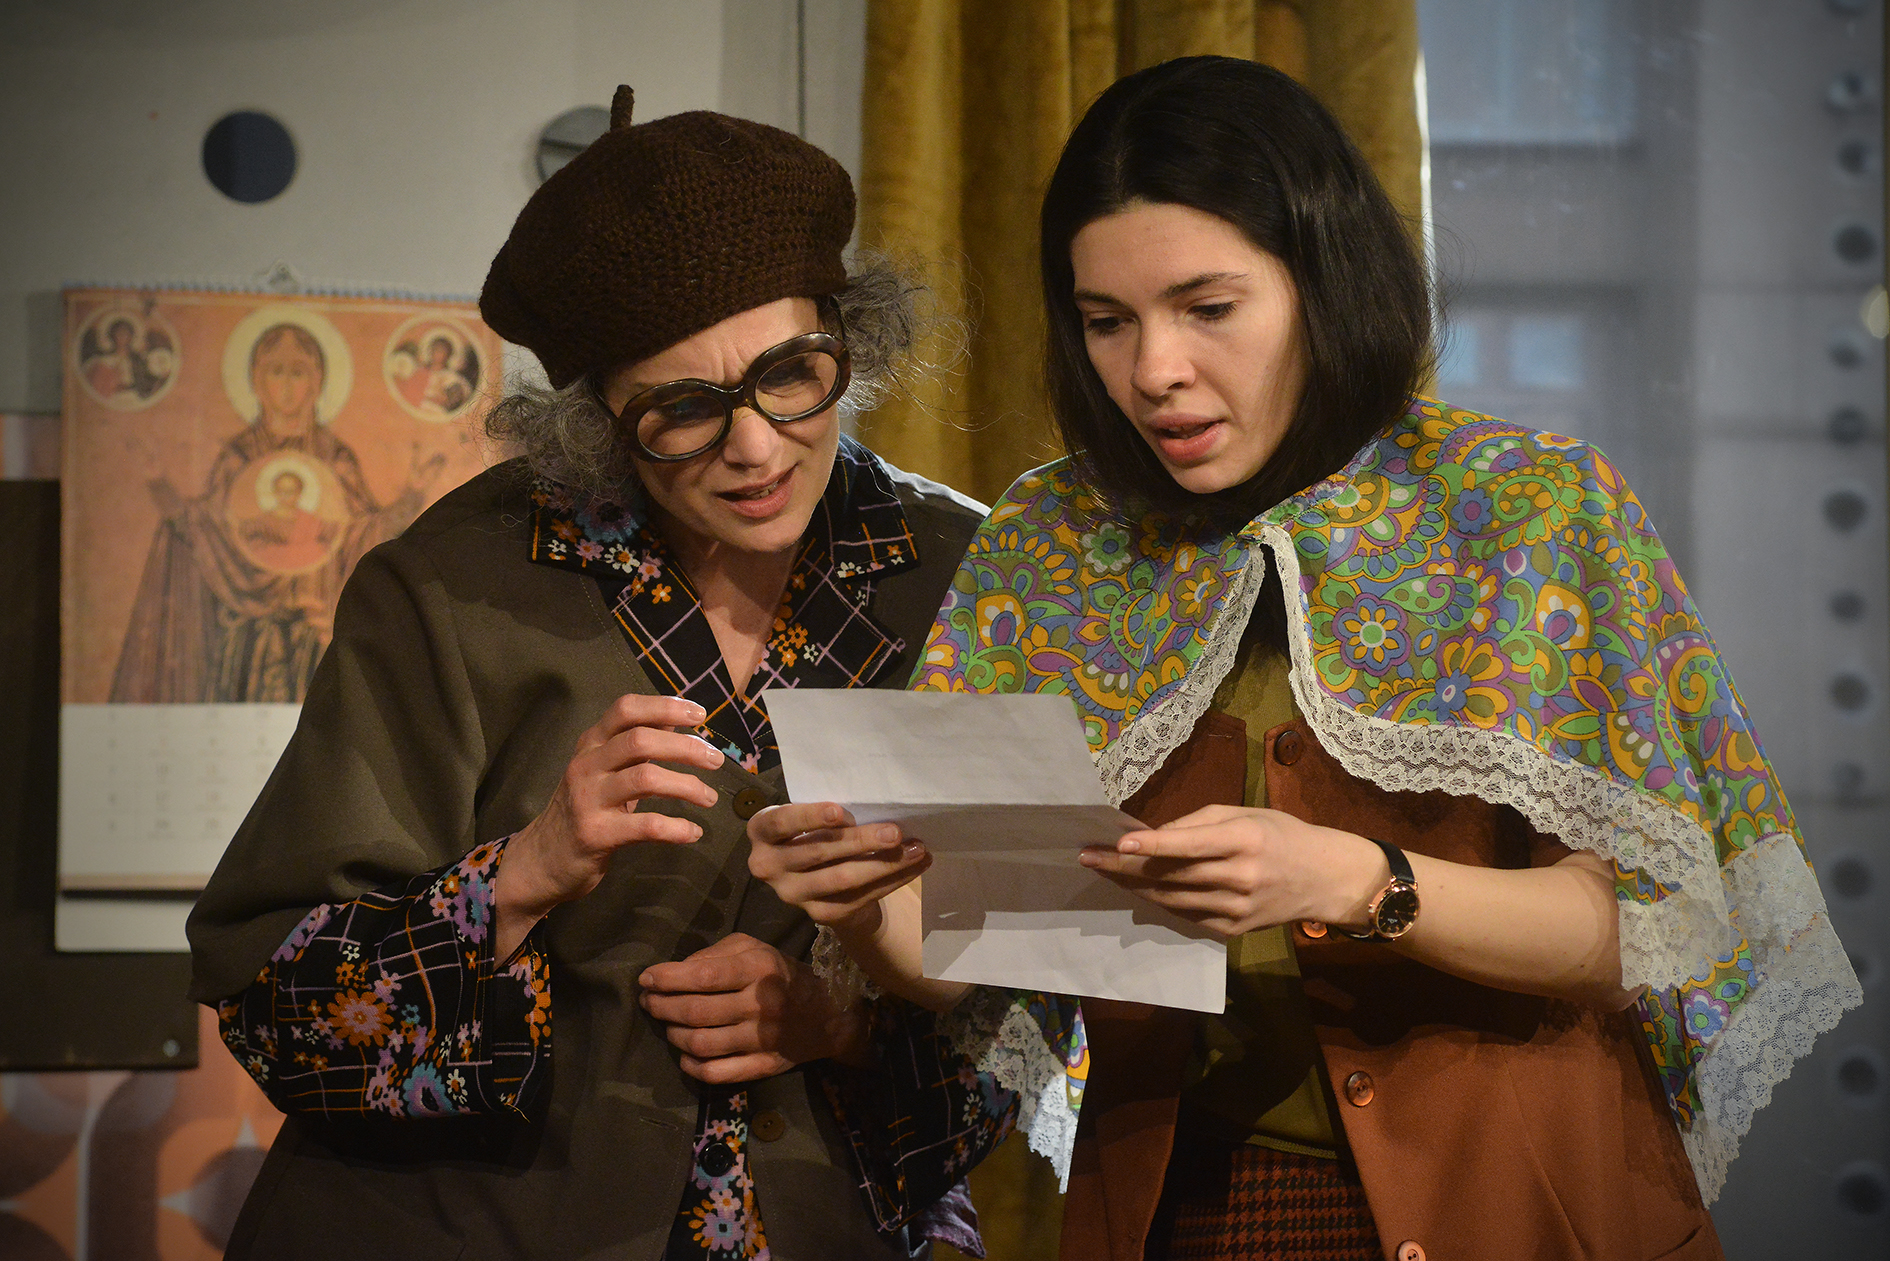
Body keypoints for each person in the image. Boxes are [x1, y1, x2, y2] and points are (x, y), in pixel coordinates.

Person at [747, 57, 1861, 1261]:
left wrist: (1356, 879)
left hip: (1516, 1200)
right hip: (1178, 1214)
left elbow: (1637, 935)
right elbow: (971, 947)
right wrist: (865, 904)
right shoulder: (1050, 544)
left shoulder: (1526, 507)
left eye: (1208, 308)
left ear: (1322, 282)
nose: (1155, 370)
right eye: (1108, 322)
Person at [189, 86, 1014, 1260]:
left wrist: (844, 1021)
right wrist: (520, 875)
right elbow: (272, 1005)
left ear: (848, 339)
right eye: (682, 410)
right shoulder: (452, 589)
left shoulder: (968, 577)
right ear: (594, 424)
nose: (755, 446)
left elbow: (1051, 999)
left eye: (791, 373)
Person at [111, 321, 436, 702]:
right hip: (246, 630)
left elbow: (366, 532)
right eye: (275, 371)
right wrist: (157, 482)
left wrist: (413, 495)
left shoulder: (335, 458)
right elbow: (203, 528)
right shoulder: (239, 458)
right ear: (256, 380)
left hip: (318, 629)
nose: (286, 385)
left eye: (298, 372)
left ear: (316, 382)